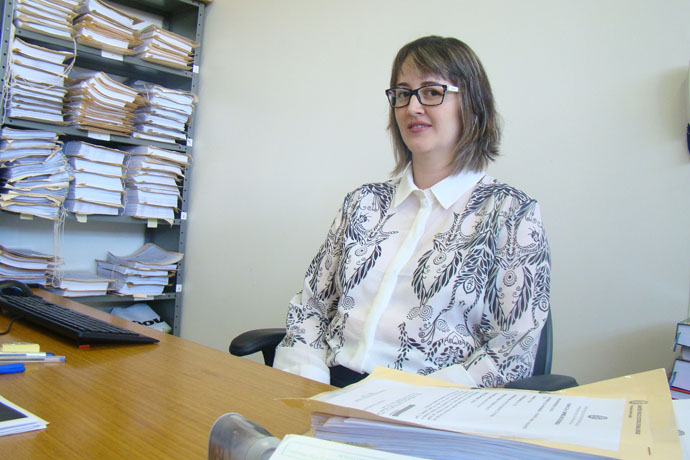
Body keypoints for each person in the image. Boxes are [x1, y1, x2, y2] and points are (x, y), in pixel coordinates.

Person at [273, 35, 550, 388]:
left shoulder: (511, 214)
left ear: (472, 104)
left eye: (432, 92)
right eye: (403, 94)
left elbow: (510, 352)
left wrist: (413, 404)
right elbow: (310, 309)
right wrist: (309, 385)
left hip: (428, 404)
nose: (412, 107)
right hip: (328, 386)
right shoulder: (362, 203)